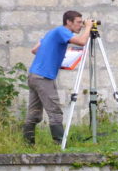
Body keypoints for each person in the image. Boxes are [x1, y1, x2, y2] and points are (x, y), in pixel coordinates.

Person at [23, 10, 94, 144]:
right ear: (68, 22)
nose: (81, 25)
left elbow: (34, 50)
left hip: (34, 75)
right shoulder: (62, 31)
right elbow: (82, 42)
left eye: (82, 23)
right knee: (55, 111)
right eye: (79, 22)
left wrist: (52, 56)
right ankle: (59, 143)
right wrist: (89, 27)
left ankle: (28, 143)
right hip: (43, 77)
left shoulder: (52, 32)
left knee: (34, 112)